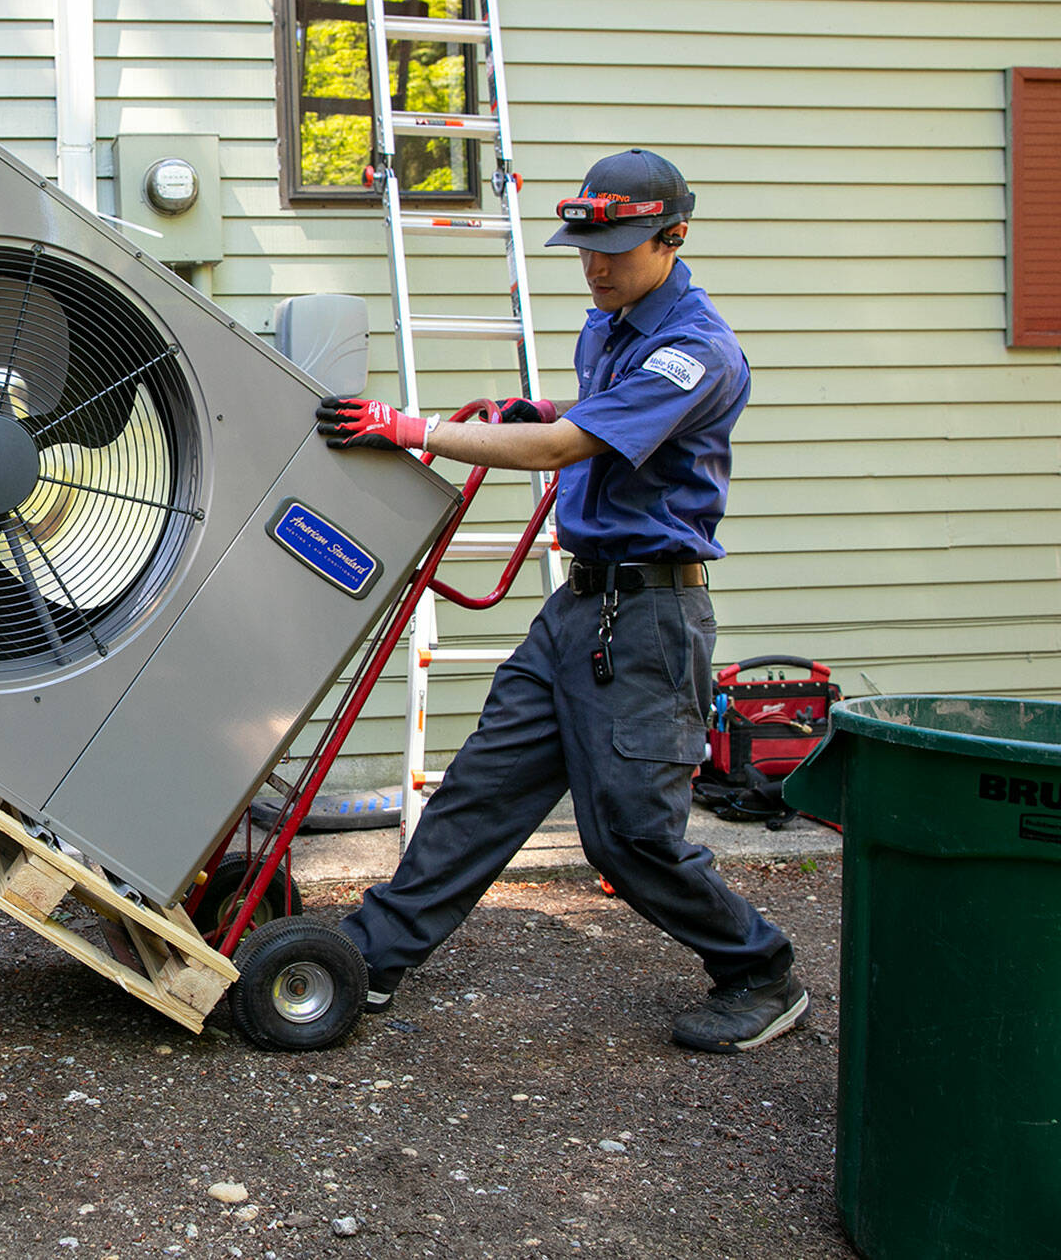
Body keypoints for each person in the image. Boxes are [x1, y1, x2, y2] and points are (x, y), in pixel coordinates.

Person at [318, 149, 807, 1055]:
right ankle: (370, 956)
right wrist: (530, 407)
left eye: (615, 247)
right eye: (583, 245)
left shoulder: (694, 349)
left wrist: (413, 428)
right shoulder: (612, 323)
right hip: (579, 609)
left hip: (650, 621)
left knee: (627, 836)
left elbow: (566, 450)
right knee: (484, 785)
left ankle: (759, 968)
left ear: (673, 236)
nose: (594, 263)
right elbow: (590, 419)